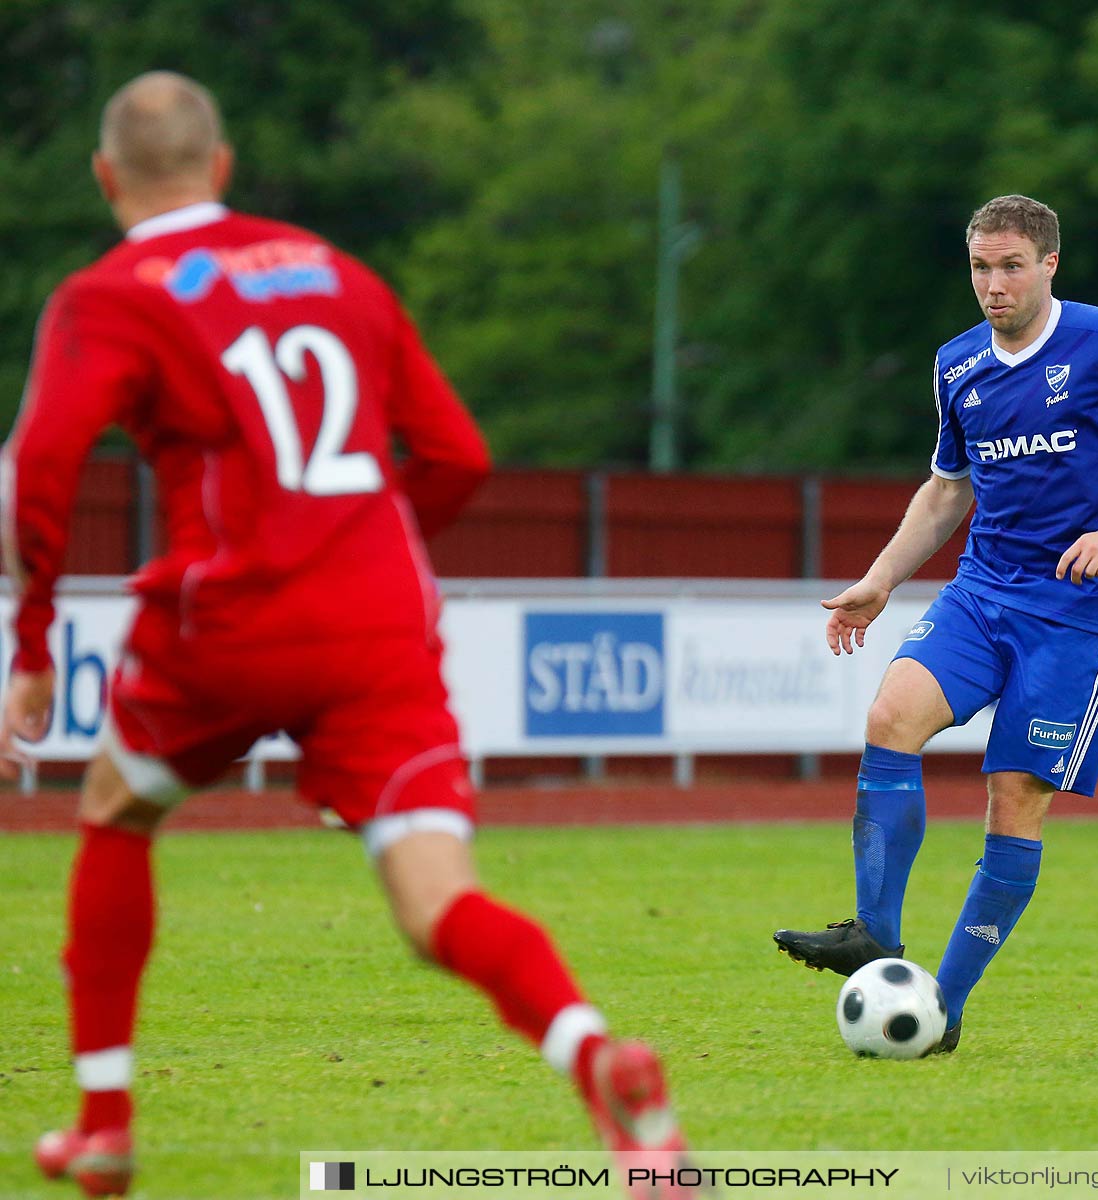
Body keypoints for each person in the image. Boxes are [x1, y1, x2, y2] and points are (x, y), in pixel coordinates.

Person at [1, 72, 687, 1199]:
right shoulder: (338, 273)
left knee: (117, 808)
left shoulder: (109, 294)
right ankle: (592, 1054)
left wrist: (32, 647)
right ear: (222, 169)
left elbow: (39, 466)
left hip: (226, 617)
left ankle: (105, 1123)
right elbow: (459, 456)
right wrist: (354, 551)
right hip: (375, 621)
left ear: (103, 178)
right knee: (437, 903)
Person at [773, 195, 1098, 1053]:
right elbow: (947, 489)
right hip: (983, 592)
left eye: (1011, 265)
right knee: (889, 718)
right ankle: (874, 931)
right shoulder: (957, 363)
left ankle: (944, 1007)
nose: (993, 283)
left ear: (1050, 264)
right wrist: (879, 579)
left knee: (1012, 800)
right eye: (980, 266)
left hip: (1079, 615)